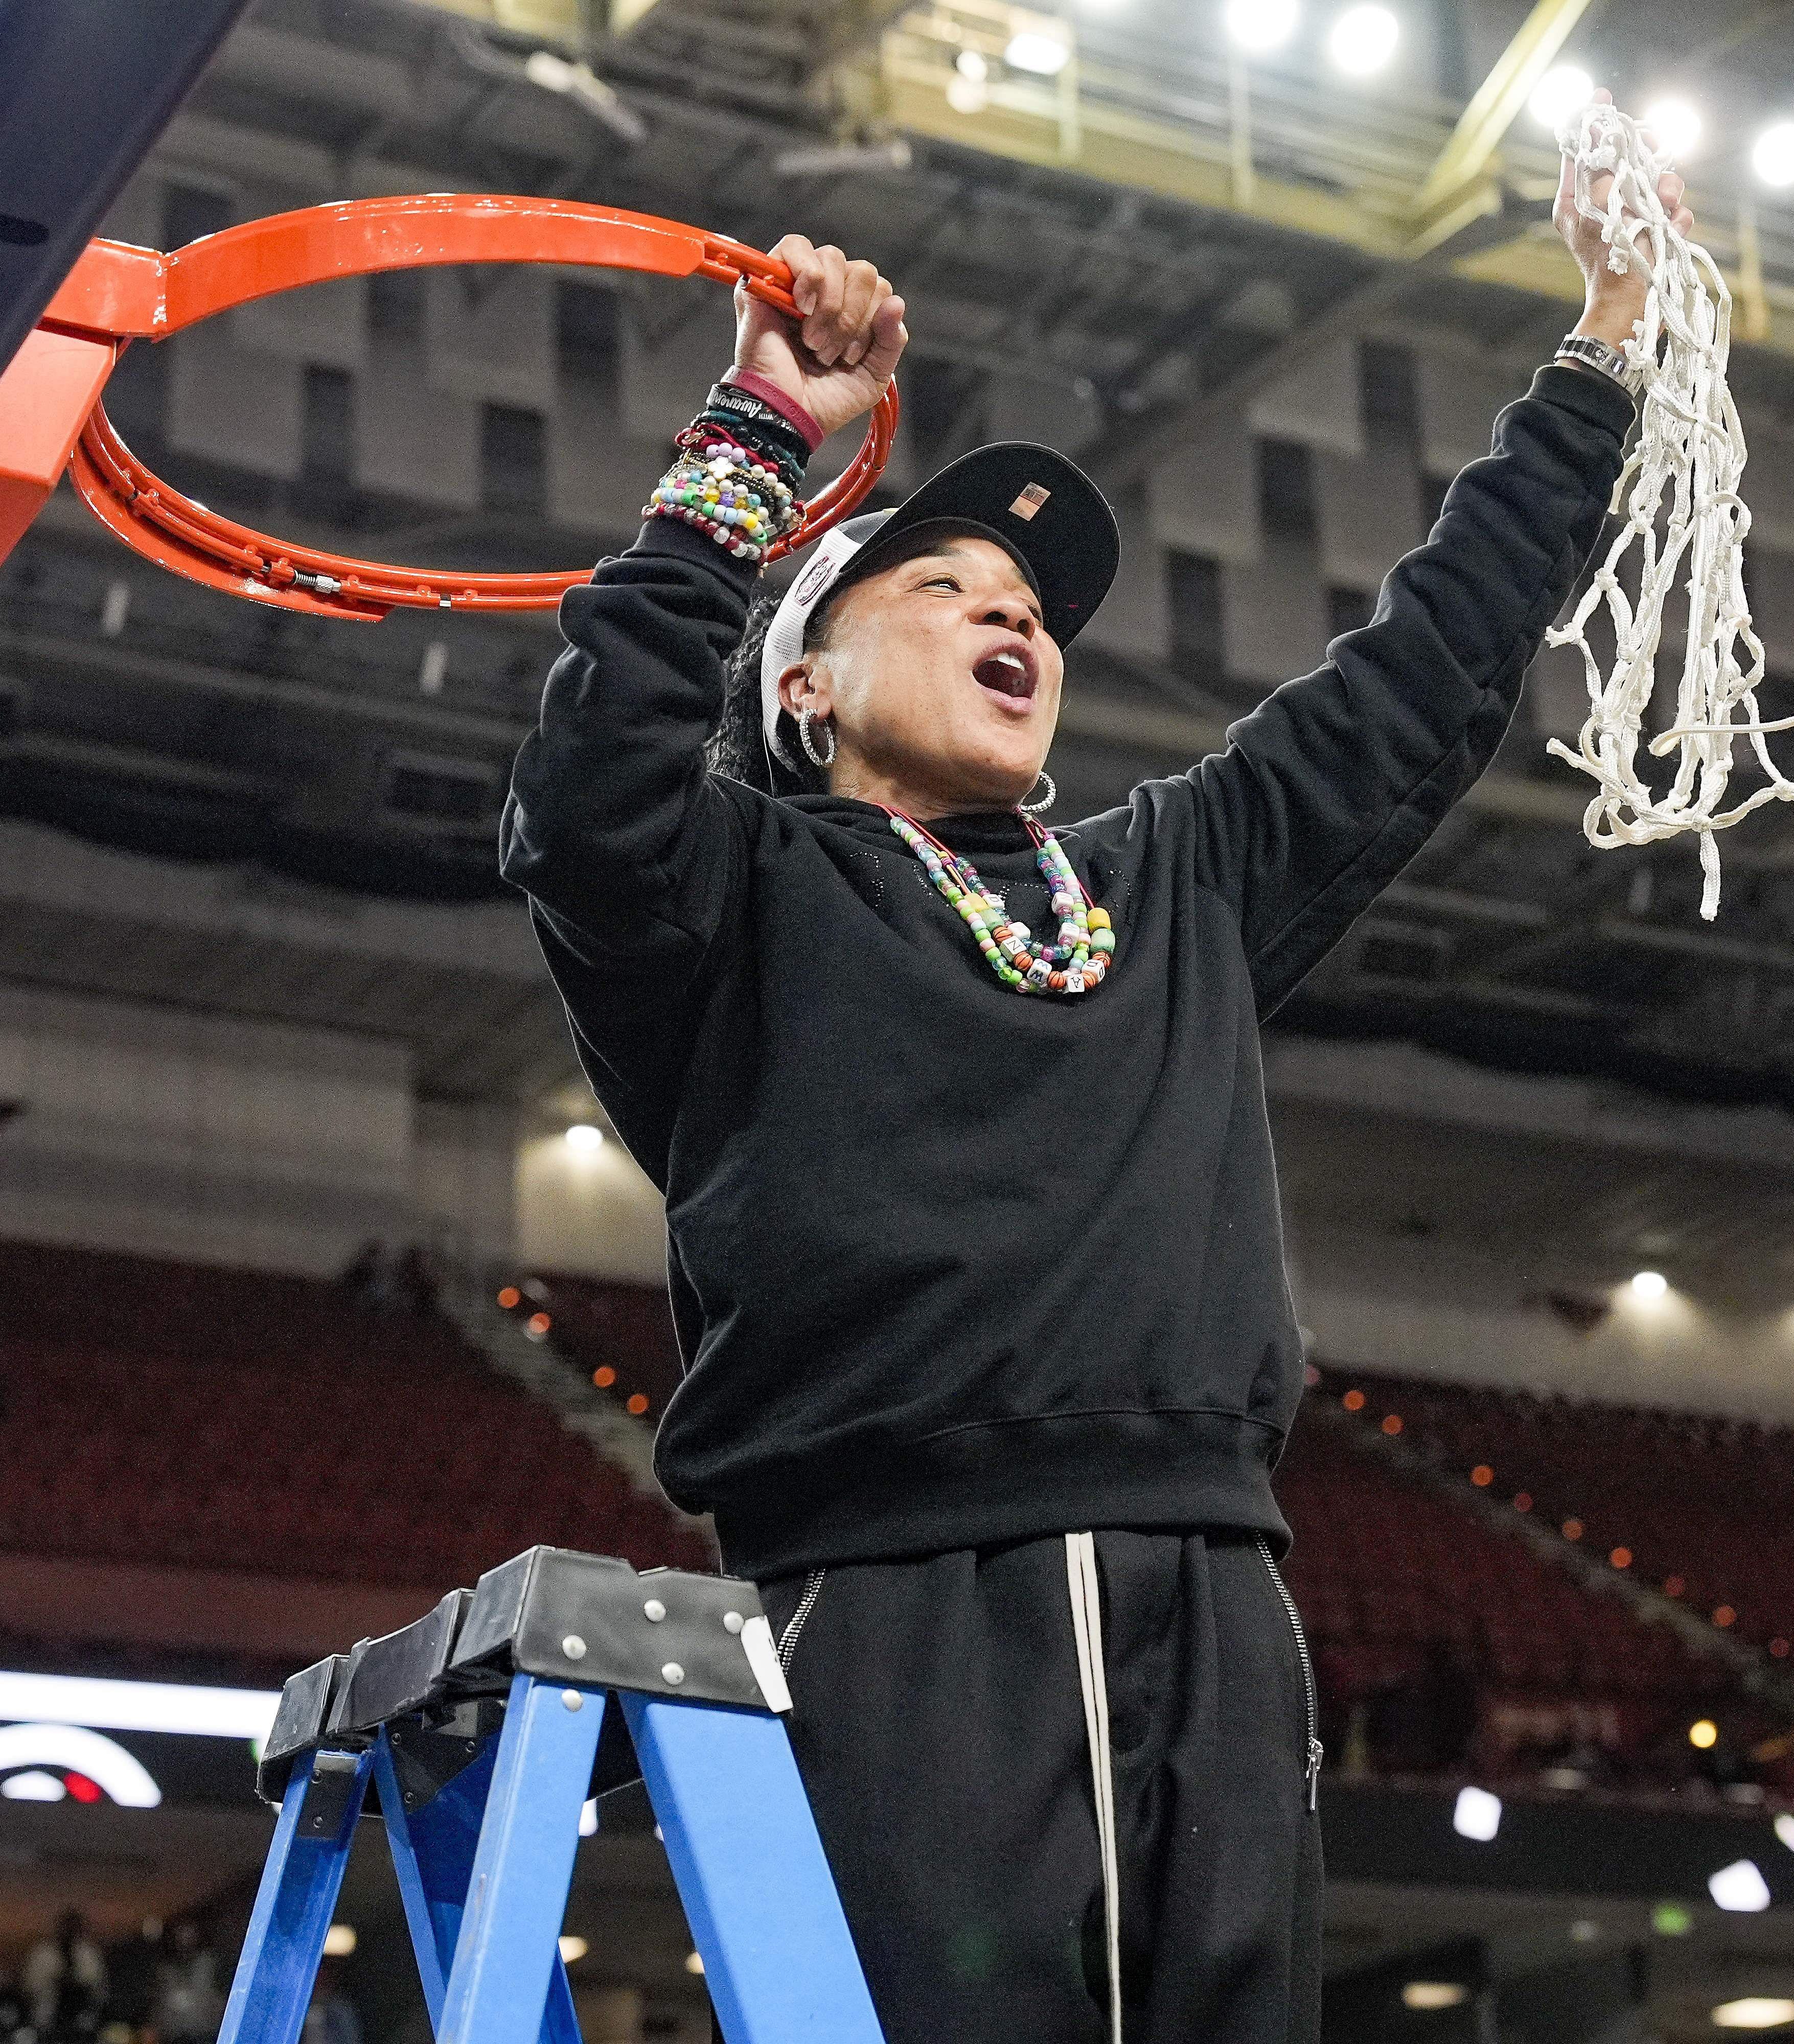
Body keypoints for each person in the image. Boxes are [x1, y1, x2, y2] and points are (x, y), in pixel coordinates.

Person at [498, 96, 1674, 2044]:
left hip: (1216, 1598)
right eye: (943, 587)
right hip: (886, 1604)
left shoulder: (1176, 875)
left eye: (1030, 605)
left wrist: (1608, 334)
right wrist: (758, 439)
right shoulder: (735, 889)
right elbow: (590, 788)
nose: (1011, 612)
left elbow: (1433, 662)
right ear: (799, 679)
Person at [24, 1910, 105, 2041]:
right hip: (49, 2019)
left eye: (74, 1927)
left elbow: (97, 1988)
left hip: (82, 2021)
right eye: (67, 1927)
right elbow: (31, 1987)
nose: (70, 1931)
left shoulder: (88, 1954)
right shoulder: (43, 1954)